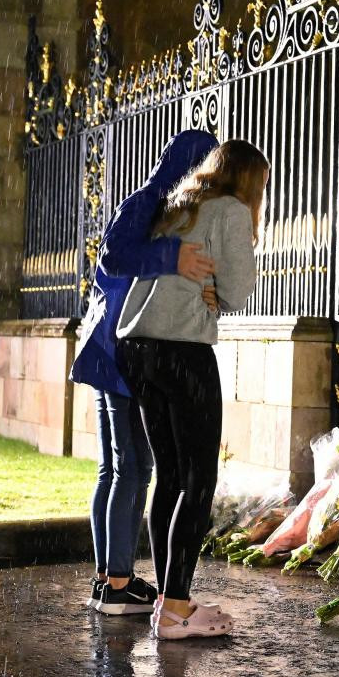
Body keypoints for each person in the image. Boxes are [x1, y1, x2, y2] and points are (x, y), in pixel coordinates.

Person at [115, 139, 267, 639]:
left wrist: (213, 290)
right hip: (183, 350)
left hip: (138, 348)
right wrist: (219, 293)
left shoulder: (180, 202)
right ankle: (176, 608)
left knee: (171, 476)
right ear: (249, 180)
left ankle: (167, 598)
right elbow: (241, 288)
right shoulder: (231, 210)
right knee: (200, 479)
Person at [70, 130, 218, 615]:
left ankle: (106, 579)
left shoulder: (158, 202)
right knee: (133, 468)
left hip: (107, 347)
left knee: (115, 468)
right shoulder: (153, 202)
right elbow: (113, 255)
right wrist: (171, 257)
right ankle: (116, 584)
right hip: (121, 348)